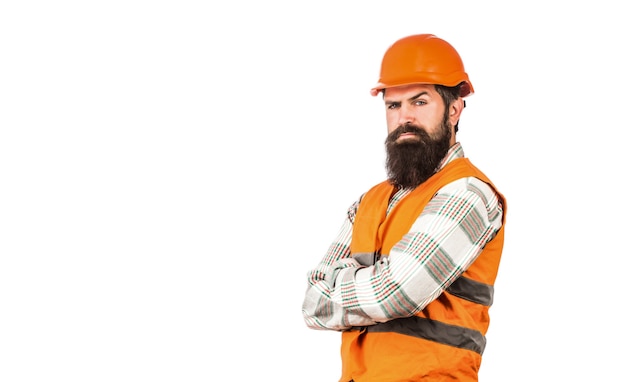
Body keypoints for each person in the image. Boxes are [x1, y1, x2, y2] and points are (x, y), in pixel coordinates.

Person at [301, 34, 507, 382]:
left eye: (419, 102)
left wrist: (345, 283)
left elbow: (394, 294)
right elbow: (312, 304)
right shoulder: (369, 202)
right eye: (393, 105)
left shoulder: (466, 193)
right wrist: (378, 282)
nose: (404, 117)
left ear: (454, 109)